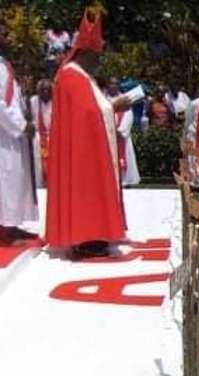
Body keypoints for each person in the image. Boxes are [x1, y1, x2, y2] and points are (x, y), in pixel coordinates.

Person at [47, 10, 130, 257]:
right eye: (96, 56)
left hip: (86, 144)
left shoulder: (81, 75)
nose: (99, 62)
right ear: (85, 53)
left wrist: (110, 107)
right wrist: (114, 106)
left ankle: (94, 233)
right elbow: (88, 112)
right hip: (83, 147)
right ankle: (87, 235)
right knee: (86, 189)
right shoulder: (72, 75)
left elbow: (91, 108)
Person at [0, 23, 37, 243]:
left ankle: (12, 225)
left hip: (11, 133)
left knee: (14, 179)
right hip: (5, 135)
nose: (8, 36)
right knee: (7, 178)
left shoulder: (4, 65)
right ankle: (7, 230)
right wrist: (21, 125)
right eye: (3, 33)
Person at [105, 77, 140, 187]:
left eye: (116, 84)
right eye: (111, 84)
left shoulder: (124, 99)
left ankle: (125, 180)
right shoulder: (103, 98)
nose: (113, 86)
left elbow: (129, 114)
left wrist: (121, 130)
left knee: (125, 156)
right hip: (107, 136)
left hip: (121, 136)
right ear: (107, 85)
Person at [29, 78, 52, 188]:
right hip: (37, 139)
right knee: (38, 167)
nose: (46, 92)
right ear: (39, 91)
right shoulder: (33, 101)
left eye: (48, 90)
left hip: (52, 138)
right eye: (43, 90)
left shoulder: (56, 102)